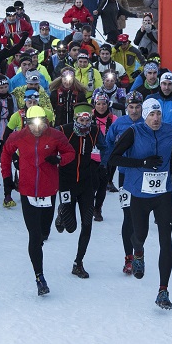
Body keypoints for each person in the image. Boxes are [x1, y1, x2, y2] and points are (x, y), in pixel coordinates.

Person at [107, 99, 172, 309]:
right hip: (140, 194)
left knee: (166, 240)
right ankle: (137, 252)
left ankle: (163, 291)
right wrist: (142, 163)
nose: (156, 119)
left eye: (158, 114)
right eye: (151, 115)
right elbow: (114, 158)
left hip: (163, 194)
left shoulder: (170, 131)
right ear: (145, 116)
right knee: (140, 235)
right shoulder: (134, 132)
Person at [0, 106, 76, 295]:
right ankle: (39, 277)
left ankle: (43, 236)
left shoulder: (55, 135)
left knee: (43, 232)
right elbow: (5, 153)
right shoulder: (18, 136)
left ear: (45, 120)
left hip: (49, 191)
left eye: (41, 123)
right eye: (33, 124)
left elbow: (70, 153)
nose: (37, 128)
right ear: (26, 122)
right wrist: (7, 178)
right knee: (34, 236)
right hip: (27, 192)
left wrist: (59, 159)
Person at [54, 103, 103, 278]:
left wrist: (102, 165)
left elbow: (105, 148)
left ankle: (78, 263)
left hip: (86, 184)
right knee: (71, 227)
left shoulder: (95, 131)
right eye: (81, 119)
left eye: (88, 119)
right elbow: (48, 145)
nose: (84, 123)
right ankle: (62, 213)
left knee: (87, 224)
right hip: (66, 183)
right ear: (75, 118)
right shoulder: (62, 130)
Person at [103, 91, 144, 273]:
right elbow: (109, 145)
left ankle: (139, 255)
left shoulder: (148, 123)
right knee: (128, 216)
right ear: (126, 107)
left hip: (144, 176)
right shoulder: (119, 123)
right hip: (125, 175)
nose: (134, 111)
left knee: (140, 218)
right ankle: (129, 258)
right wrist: (104, 167)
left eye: (137, 107)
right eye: (131, 107)